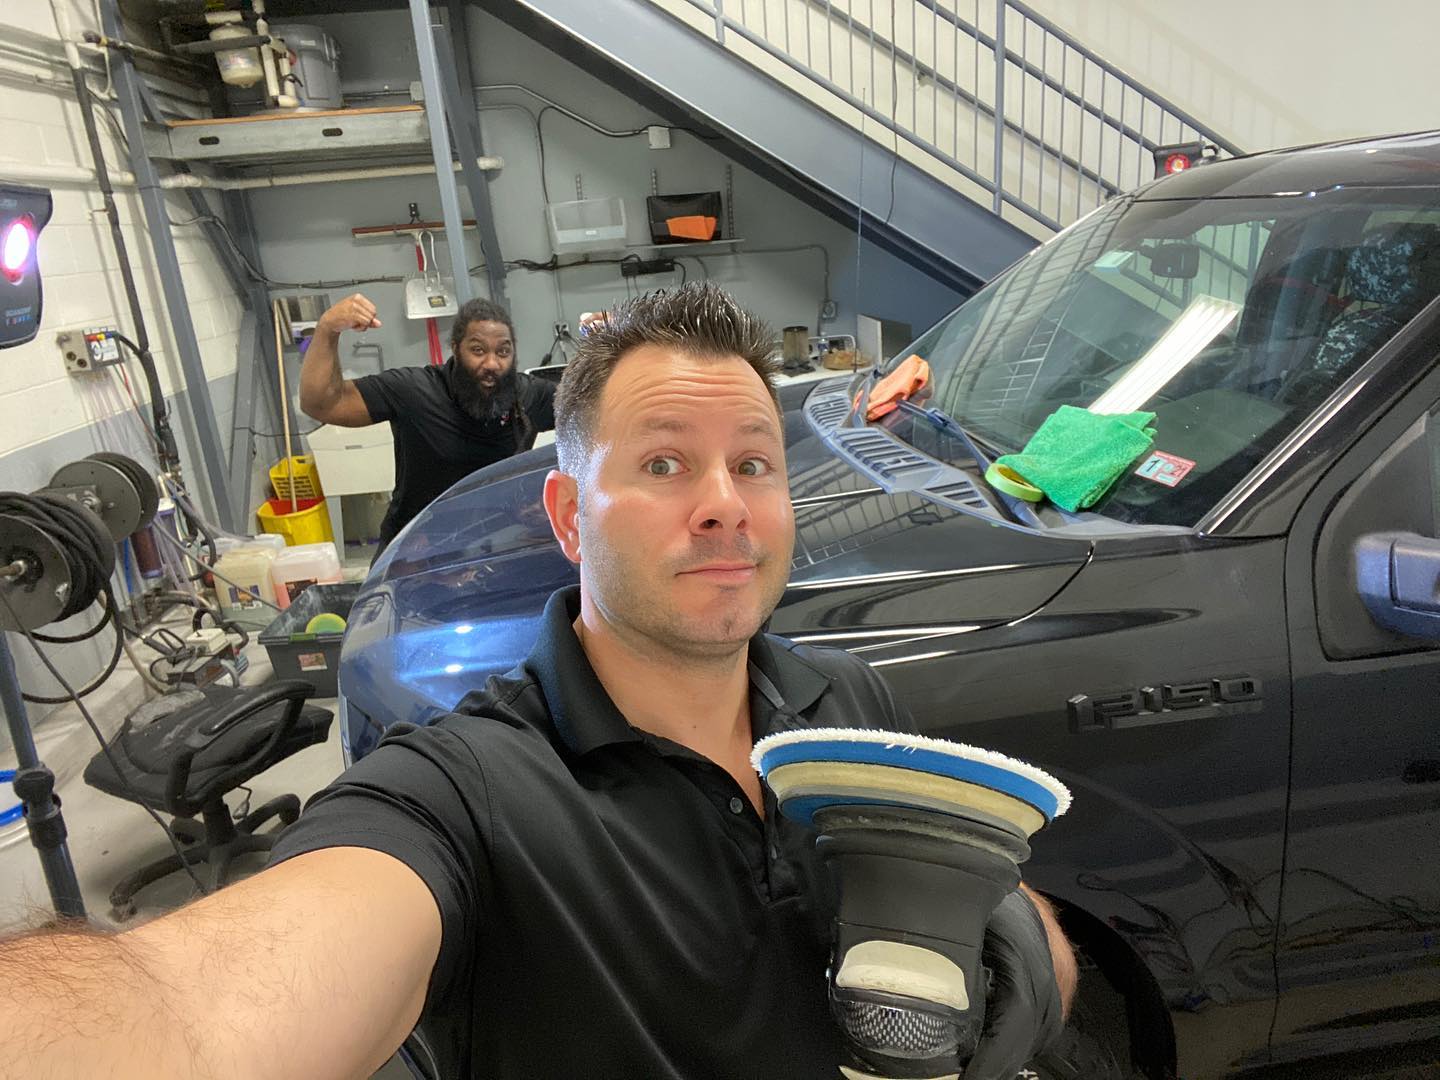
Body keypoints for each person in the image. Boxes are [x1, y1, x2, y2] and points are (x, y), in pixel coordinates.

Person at [0, 283, 1076, 1079]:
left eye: (754, 463)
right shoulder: (467, 793)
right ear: (568, 518)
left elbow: (1010, 913)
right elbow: (196, 1012)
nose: (724, 502)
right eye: (663, 463)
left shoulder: (851, 705)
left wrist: (1016, 941)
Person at [299, 293, 556, 551]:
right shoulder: (416, 392)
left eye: (503, 351)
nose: (492, 363)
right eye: (478, 350)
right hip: (415, 554)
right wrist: (327, 328)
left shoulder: (528, 397)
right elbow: (322, 403)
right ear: (456, 348)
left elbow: (582, 411)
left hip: (494, 546)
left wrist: (553, 497)